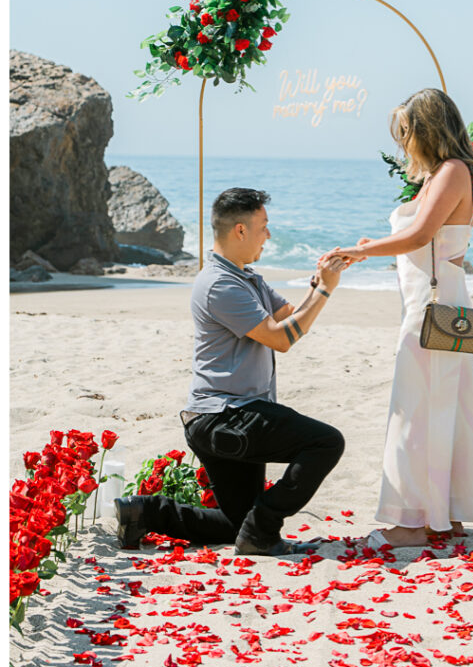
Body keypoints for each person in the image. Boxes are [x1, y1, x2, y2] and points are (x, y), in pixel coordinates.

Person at [115, 187, 345, 556]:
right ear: (240, 230)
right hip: (227, 415)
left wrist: (319, 283)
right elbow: (280, 339)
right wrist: (326, 294)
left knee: (237, 524)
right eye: (263, 227)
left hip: (227, 415)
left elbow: (287, 316)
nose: (268, 235)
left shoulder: (245, 277)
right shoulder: (220, 284)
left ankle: (145, 512)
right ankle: (264, 529)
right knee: (325, 442)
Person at [323, 88, 473, 549]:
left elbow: (419, 235)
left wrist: (360, 250)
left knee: (415, 407)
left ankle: (412, 521)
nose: (403, 144)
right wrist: (375, 246)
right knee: (441, 403)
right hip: (439, 297)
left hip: (432, 306)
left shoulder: (452, 172)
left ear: (427, 129)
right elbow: (425, 243)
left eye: (406, 132)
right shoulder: (449, 173)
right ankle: (444, 514)